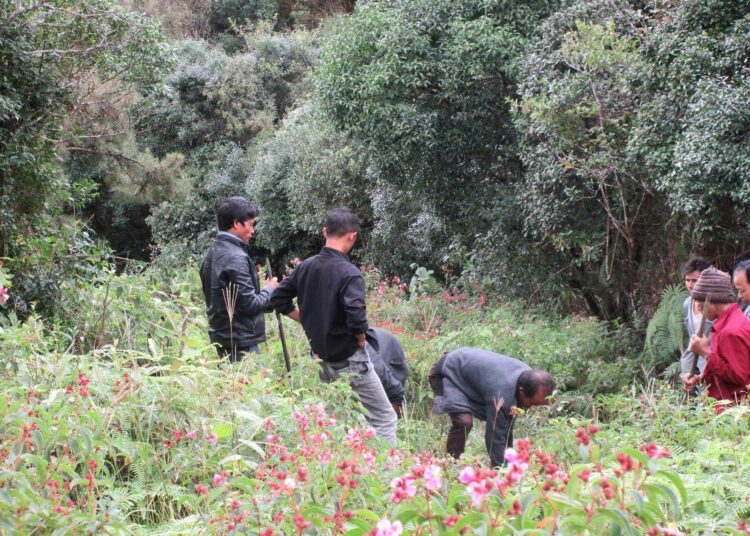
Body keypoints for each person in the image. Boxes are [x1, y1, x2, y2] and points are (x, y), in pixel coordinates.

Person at [270, 208, 398, 445]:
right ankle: (387, 471)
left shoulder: (306, 267)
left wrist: (306, 319)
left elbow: (277, 299)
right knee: (383, 417)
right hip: (350, 359)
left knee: (334, 420)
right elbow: (356, 317)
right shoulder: (350, 274)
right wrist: (360, 339)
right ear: (352, 236)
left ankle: (336, 467)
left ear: (325, 232)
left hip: (320, 360)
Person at [429, 348, 555, 467]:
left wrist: (510, 463)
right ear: (521, 392)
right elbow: (495, 436)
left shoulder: (528, 378)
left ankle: (507, 465)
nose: (533, 408)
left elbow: (506, 426)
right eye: (533, 403)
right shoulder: (502, 394)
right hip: (449, 372)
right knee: (464, 421)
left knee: (504, 421)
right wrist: (502, 472)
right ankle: (451, 466)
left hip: (470, 374)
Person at [200, 197, 278, 361]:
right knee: (250, 384)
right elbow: (250, 304)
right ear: (237, 223)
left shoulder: (212, 252)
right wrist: (270, 288)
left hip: (222, 337)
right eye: (250, 225)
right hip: (241, 342)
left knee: (233, 385)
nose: (252, 231)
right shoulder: (235, 257)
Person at [684, 266, 750, 409]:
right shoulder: (730, 321)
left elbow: (740, 376)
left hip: (733, 412)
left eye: (700, 301)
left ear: (710, 299)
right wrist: (700, 378)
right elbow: (724, 364)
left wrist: (706, 353)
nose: (698, 307)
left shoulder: (731, 331)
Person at [680, 257, 712, 378]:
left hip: (710, 366)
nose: (690, 285)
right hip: (691, 366)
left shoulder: (715, 306)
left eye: (694, 280)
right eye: (687, 280)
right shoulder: (687, 304)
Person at [366, 327, 409, 417]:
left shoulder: (374, 366)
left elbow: (397, 393)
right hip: (380, 345)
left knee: (392, 397)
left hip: (392, 354)